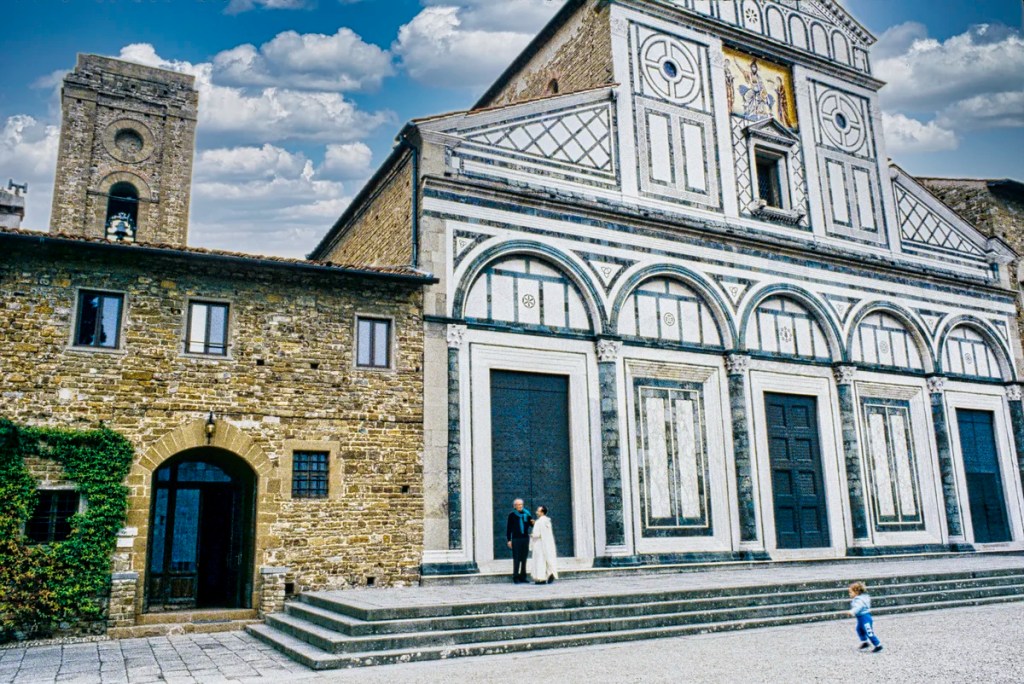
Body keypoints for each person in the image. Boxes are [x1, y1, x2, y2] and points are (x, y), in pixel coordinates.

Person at [849, 582, 883, 653]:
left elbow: (858, 607)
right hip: (861, 618)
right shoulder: (861, 598)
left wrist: (852, 612)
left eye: (851, 592)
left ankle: (878, 645)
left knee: (869, 632)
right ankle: (865, 642)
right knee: (859, 629)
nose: (850, 594)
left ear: (856, 592)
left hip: (865, 618)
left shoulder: (859, 600)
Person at [506, 499, 534, 584]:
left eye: (521, 504)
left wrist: (533, 523)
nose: (520, 506)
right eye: (518, 505)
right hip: (516, 539)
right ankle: (515, 577)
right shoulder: (512, 515)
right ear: (514, 506)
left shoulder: (527, 514)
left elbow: (532, 525)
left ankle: (523, 577)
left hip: (525, 538)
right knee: (517, 558)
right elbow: (509, 528)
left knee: (524, 558)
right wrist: (509, 540)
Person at [529, 506, 558, 585]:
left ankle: (541, 579)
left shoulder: (539, 522)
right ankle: (549, 573)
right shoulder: (547, 521)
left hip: (539, 544)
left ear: (542, 512)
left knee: (539, 561)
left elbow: (537, 534)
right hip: (547, 544)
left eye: (538, 511)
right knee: (545, 560)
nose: (536, 512)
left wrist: (531, 535)